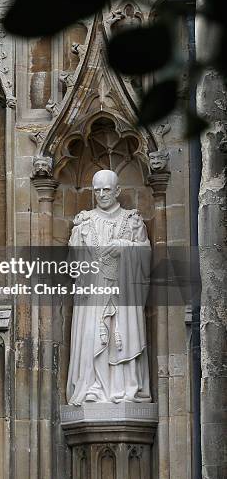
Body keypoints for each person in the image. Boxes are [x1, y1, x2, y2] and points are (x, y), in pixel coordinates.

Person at [66, 169, 151, 404]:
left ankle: (125, 389)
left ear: (118, 191)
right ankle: (93, 386)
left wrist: (124, 246)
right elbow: (73, 266)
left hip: (124, 292)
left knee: (123, 335)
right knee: (93, 336)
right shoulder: (84, 222)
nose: (102, 194)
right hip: (94, 293)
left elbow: (146, 257)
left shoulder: (132, 221)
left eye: (106, 190)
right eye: (97, 190)